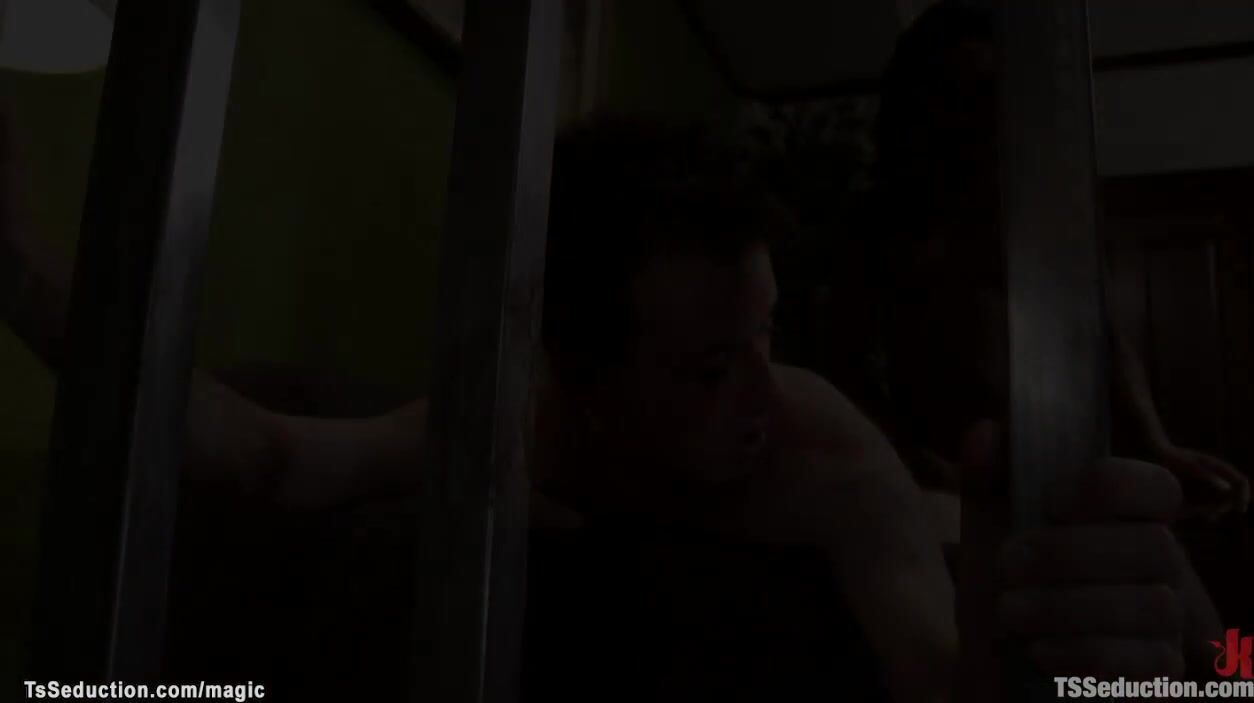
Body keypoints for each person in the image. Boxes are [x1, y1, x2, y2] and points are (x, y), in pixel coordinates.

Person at [1, 107, 1224, 699]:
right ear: (581, 373)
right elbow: (269, 454)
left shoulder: (822, 449)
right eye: (705, 367)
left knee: (1209, 643)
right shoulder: (524, 420)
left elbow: (937, 671)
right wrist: (22, 268)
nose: (760, 391)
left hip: (930, 517)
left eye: (766, 336)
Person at [869, 0, 1250, 519]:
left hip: (1045, 467)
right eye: (962, 96)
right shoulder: (889, 224)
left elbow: (1102, 328)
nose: (982, 118)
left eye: (993, 95)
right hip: (939, 487)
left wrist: (1157, 444)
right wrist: (910, 464)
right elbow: (858, 364)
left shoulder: (1040, 208)